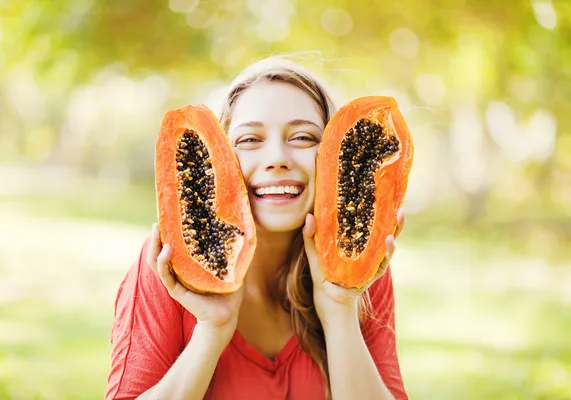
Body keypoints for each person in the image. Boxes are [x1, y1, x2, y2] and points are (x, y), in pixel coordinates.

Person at [105, 55, 408, 400]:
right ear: (219, 157)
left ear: (335, 155)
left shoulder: (363, 272)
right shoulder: (166, 266)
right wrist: (211, 331)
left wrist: (340, 309)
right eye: (250, 140)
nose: (277, 158)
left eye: (303, 137)